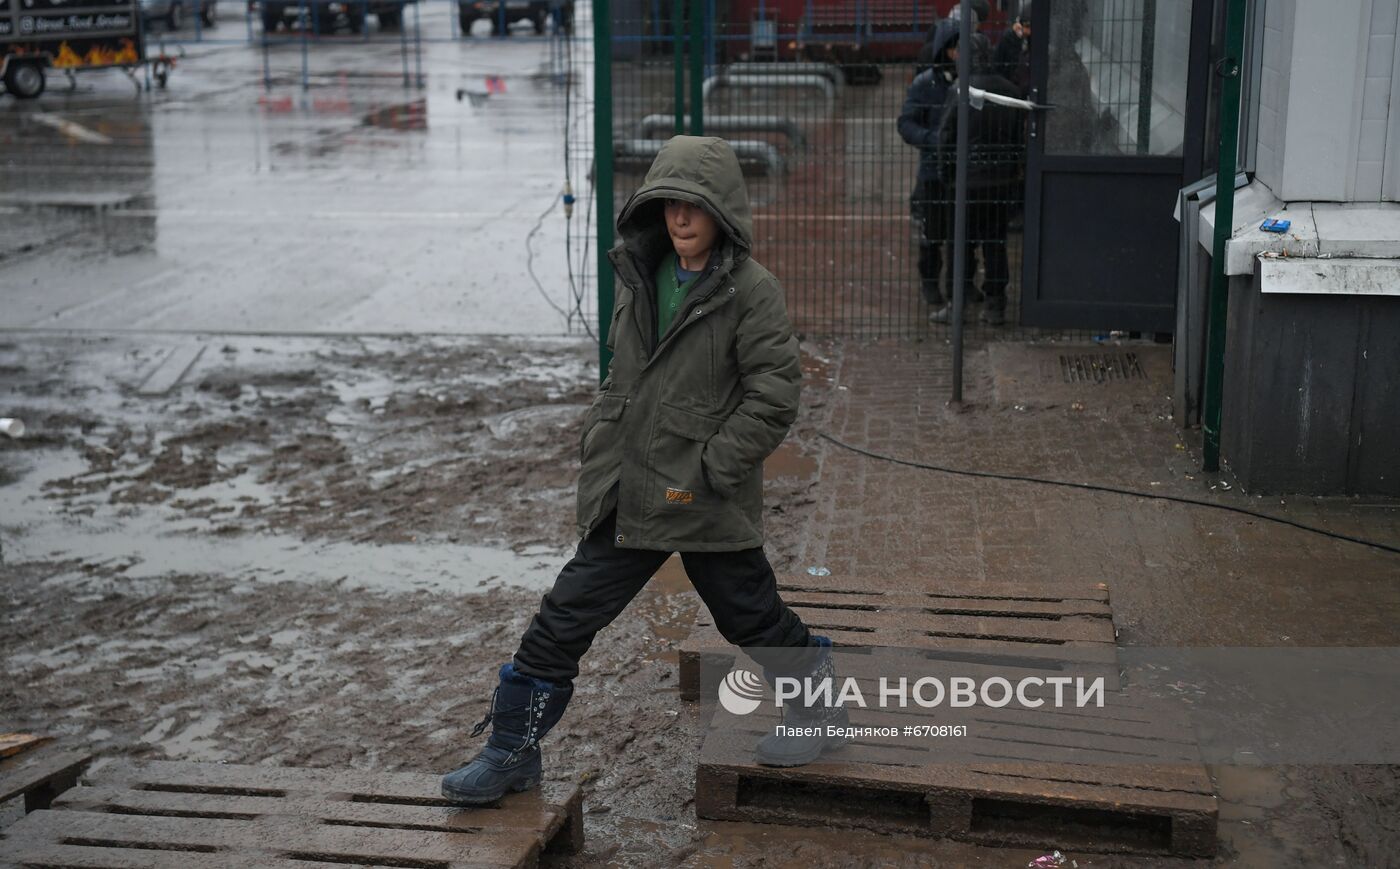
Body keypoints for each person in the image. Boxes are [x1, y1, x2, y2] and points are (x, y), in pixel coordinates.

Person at [440, 136, 850, 806]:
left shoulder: (752, 291)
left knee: (748, 614)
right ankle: (510, 751)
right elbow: (623, 374)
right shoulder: (640, 272)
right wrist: (600, 436)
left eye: (695, 205)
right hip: (633, 491)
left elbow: (775, 395)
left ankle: (819, 704)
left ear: (723, 212)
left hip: (705, 492)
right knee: (563, 615)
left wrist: (715, 466)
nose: (680, 218)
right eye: (668, 204)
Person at [937, 31, 1025, 326]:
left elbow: (945, 138)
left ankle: (956, 303)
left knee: (959, 242)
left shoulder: (961, 90)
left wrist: (945, 175)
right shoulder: (1009, 90)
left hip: (965, 183)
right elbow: (1017, 140)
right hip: (999, 182)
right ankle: (995, 303)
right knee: (995, 242)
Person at [899, 19, 979, 323]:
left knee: (965, 235)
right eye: (956, 48)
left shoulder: (973, 83)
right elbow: (906, 124)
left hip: (966, 172)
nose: (961, 53)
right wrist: (935, 141)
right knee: (932, 234)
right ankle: (930, 283)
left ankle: (962, 287)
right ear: (946, 50)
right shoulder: (925, 84)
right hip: (934, 172)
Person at [992, 1, 1032, 96]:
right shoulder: (1009, 38)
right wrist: (1016, 38)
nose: (1028, 31)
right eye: (1026, 26)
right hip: (1009, 88)